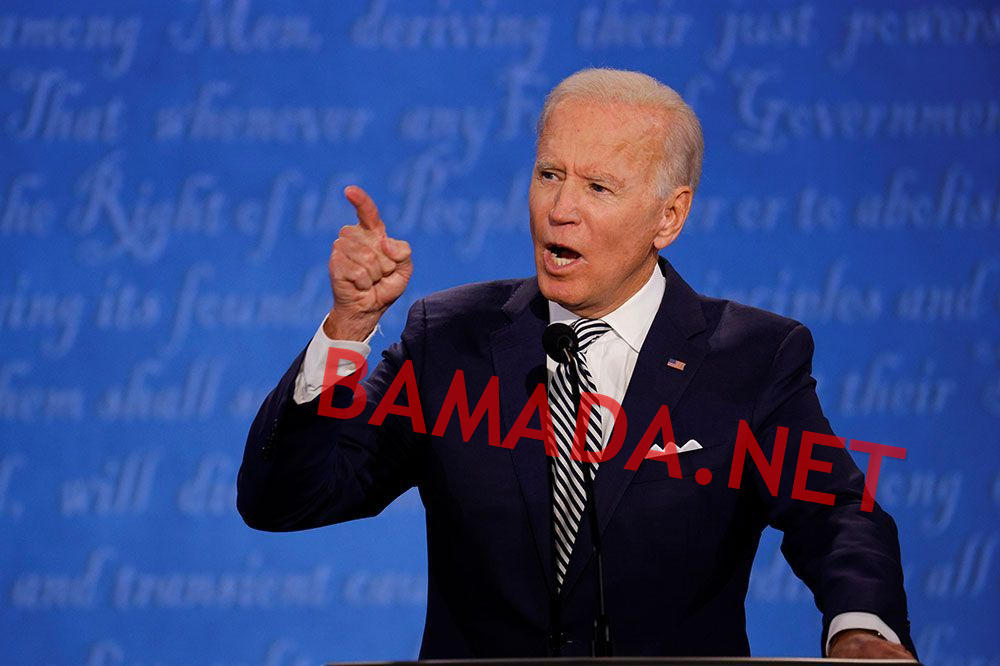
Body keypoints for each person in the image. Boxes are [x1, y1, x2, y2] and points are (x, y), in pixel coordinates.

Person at [237, 68, 915, 660]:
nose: (561, 210)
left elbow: (836, 514)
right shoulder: (448, 342)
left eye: (598, 187)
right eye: (549, 175)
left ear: (668, 217)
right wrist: (349, 328)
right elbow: (287, 500)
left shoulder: (750, 359)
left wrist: (861, 628)